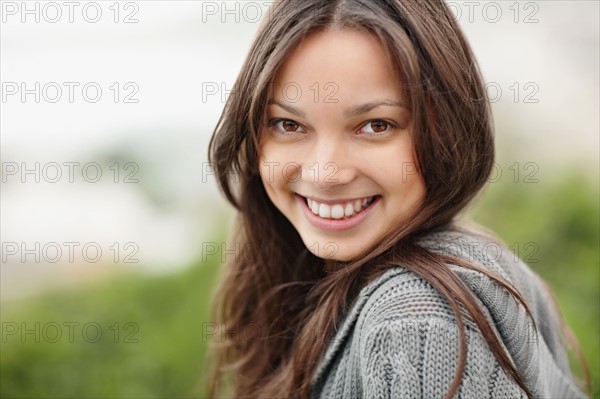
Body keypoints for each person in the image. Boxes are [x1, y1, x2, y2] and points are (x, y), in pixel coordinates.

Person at [205, 0, 590, 398]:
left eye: (375, 125)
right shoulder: (471, 259)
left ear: (446, 130)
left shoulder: (417, 322)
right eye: (289, 124)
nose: (324, 172)